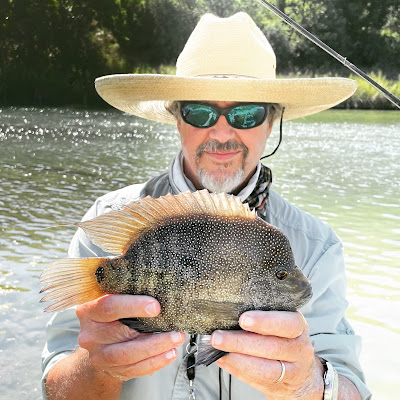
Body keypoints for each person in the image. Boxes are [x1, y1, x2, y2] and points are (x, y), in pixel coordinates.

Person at [41, 12, 372, 400]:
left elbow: (354, 388)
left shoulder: (318, 247)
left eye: (247, 113)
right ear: (176, 118)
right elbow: (55, 386)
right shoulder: (109, 221)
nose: (221, 132)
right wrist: (95, 369)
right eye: (199, 111)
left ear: (273, 122)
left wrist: (311, 383)